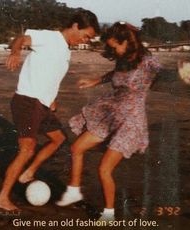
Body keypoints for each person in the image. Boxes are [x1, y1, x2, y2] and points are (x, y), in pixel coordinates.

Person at [0, 10, 100, 211]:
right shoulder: (49, 37)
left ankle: (28, 173)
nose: (85, 41)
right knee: (27, 149)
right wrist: (15, 52)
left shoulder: (66, 51)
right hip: (27, 100)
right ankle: (2, 198)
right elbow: (20, 39)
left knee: (58, 139)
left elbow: (50, 76)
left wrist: (52, 100)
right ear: (76, 26)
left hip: (42, 105)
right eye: (86, 35)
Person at [56, 22, 161, 221]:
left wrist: (186, 76)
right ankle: (74, 190)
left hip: (130, 121)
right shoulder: (123, 59)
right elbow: (115, 74)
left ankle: (109, 214)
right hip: (110, 113)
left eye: (114, 46)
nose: (112, 50)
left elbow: (167, 75)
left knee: (104, 169)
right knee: (76, 148)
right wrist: (95, 80)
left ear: (127, 42)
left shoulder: (148, 61)